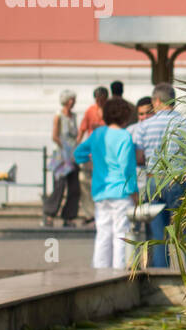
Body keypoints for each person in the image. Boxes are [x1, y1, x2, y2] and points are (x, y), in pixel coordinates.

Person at [133, 82, 186, 268]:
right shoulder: (185, 123)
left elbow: (139, 156)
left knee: (158, 233)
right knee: (185, 229)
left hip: (153, 181)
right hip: (178, 179)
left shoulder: (145, 126)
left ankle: (160, 271)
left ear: (157, 100)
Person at [73, 97, 138, 269]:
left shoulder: (97, 134)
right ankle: (119, 270)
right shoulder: (125, 137)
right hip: (121, 193)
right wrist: (135, 193)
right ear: (125, 117)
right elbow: (127, 169)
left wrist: (92, 160)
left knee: (103, 234)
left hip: (100, 191)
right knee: (121, 234)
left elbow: (78, 153)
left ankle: (100, 271)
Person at [43, 90, 81, 227]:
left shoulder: (73, 117)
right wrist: (64, 148)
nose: (73, 102)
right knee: (59, 186)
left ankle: (69, 216)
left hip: (73, 155)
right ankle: (49, 213)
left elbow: (77, 135)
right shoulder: (58, 116)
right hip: (62, 155)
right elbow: (55, 135)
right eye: (71, 99)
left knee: (74, 187)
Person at [76, 86, 108, 225]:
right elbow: (83, 128)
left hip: (106, 153)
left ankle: (101, 211)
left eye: (102, 99)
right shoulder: (90, 110)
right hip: (91, 152)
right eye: (97, 99)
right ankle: (90, 212)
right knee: (85, 182)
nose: (99, 101)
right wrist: (77, 144)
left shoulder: (109, 111)